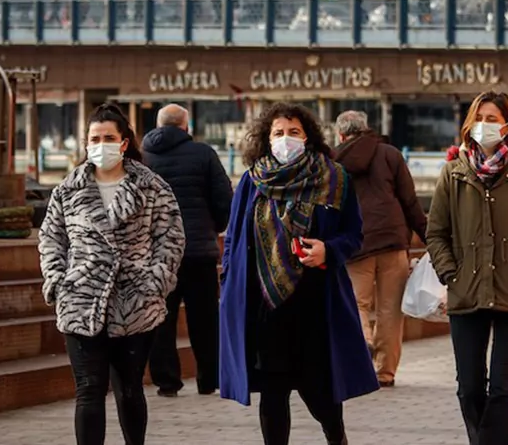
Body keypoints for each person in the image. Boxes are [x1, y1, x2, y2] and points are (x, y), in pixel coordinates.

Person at [218, 103, 376, 445]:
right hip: (265, 305)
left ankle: (337, 437)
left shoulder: (334, 178)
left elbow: (354, 235)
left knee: (321, 393)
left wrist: (328, 250)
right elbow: (232, 237)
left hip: (316, 303)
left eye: (294, 133)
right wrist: (229, 281)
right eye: (278, 133)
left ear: (308, 138)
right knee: (273, 393)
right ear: (266, 138)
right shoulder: (252, 181)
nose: (285, 139)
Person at [38, 103, 186, 445]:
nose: (100, 144)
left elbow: (171, 237)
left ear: (123, 142)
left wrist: (156, 282)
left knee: (130, 388)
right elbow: (51, 237)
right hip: (80, 299)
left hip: (134, 303)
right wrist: (58, 280)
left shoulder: (151, 187)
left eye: (108, 137)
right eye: (94, 138)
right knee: (88, 390)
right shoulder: (68, 189)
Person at [425, 90, 508, 445]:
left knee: (502, 387)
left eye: (492, 119)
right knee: (469, 386)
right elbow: (435, 232)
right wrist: (449, 272)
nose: (484, 125)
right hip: (466, 289)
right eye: (479, 118)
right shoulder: (453, 173)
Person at [142, 103, 232, 397]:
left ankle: (167, 381)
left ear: (158, 125)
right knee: (205, 319)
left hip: (157, 254)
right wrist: (213, 228)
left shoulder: (144, 157)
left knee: (161, 318)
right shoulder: (204, 154)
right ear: (186, 126)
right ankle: (209, 379)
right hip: (198, 252)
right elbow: (224, 199)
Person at [332, 110, 426, 388]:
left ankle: (363, 341)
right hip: (392, 238)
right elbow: (410, 201)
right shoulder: (389, 154)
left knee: (356, 303)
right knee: (390, 309)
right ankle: (385, 373)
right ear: (366, 128)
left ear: (340, 134)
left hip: (356, 242)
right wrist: (429, 237)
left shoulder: (334, 160)